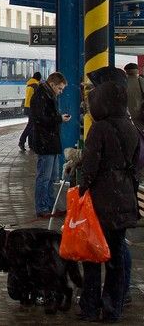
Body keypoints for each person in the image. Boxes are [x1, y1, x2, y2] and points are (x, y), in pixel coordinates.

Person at [77, 66, 140, 322]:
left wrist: (82, 189)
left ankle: (90, 307)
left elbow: (90, 168)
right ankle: (112, 309)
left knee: (92, 256)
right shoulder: (130, 125)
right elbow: (136, 161)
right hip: (124, 197)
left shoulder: (99, 129)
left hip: (100, 201)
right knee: (115, 259)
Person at [29, 72, 70, 218]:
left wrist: (58, 118)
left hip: (50, 141)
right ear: (52, 84)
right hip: (45, 142)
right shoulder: (41, 96)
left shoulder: (47, 95)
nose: (61, 92)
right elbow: (40, 119)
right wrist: (59, 118)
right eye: (60, 88)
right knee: (44, 177)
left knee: (52, 177)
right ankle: (42, 208)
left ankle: (51, 206)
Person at [19, 71, 42, 152]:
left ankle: (31, 144)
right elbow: (38, 99)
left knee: (32, 126)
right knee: (30, 126)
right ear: (39, 78)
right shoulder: (36, 86)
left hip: (27, 107)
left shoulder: (29, 84)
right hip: (33, 108)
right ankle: (22, 141)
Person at [124, 63, 144, 130]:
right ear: (137, 71)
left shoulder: (123, 83)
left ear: (126, 71)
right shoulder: (141, 81)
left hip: (126, 114)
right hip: (141, 113)